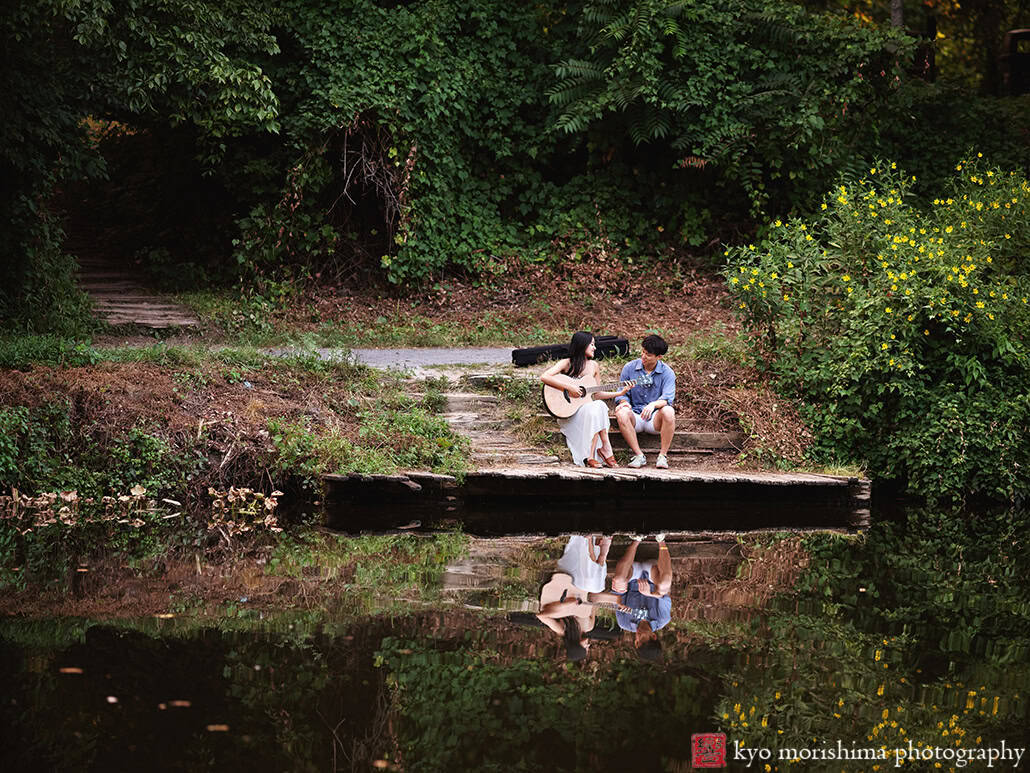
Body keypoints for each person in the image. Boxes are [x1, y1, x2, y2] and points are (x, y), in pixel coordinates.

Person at [541, 331, 630, 467]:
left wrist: (619, 393)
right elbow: (545, 377)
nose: (595, 348)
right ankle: (604, 449)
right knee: (597, 408)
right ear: (582, 346)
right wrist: (569, 387)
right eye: (592, 345)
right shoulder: (566, 363)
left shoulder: (594, 366)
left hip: (589, 412)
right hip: (570, 412)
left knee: (598, 405)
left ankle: (592, 454)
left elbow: (597, 394)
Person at [589, 534, 671, 663]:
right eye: (642, 638)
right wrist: (649, 594)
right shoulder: (662, 619)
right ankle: (661, 540)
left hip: (632, 574)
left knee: (619, 581)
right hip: (652, 575)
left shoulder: (625, 623)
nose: (637, 636)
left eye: (637, 641)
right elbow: (664, 596)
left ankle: (636, 540)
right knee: (665, 585)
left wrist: (619, 603)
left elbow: (617, 595)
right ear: (653, 636)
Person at [614, 334, 676, 469]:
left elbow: (667, 398)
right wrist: (624, 403)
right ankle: (639, 455)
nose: (643, 356)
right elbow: (621, 393)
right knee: (621, 412)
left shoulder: (667, 373)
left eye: (648, 354)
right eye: (642, 352)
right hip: (635, 416)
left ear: (659, 357)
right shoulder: (629, 368)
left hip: (654, 418)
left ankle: (662, 456)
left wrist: (653, 404)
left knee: (669, 411)